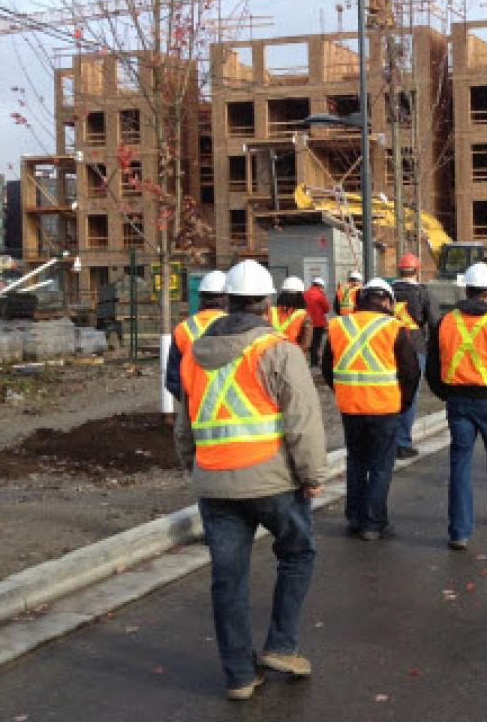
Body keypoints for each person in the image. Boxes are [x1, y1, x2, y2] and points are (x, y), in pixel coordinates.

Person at [175, 259, 327, 701]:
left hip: (216, 483)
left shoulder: (195, 353)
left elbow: (185, 424)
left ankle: (239, 675)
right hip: (272, 480)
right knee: (298, 553)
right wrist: (312, 476)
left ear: (226, 302)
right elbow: (302, 420)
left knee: (228, 578)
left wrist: (195, 467)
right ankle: (281, 645)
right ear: (266, 304)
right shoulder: (277, 350)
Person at [426, 262, 487, 551]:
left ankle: (459, 531)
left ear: (465, 289)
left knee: (460, 465)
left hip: (458, 401)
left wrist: (446, 393)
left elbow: (433, 366)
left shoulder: (446, 322)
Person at [322, 277, 421, 540]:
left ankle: (354, 518)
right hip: (384, 407)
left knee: (355, 462)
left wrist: (345, 390)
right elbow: (411, 371)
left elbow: (326, 368)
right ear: (387, 301)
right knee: (379, 466)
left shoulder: (338, 326)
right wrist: (405, 402)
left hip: (350, 406)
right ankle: (374, 523)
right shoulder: (394, 327)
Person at [391, 253, 435, 460]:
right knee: (410, 394)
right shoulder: (421, 292)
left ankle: (390, 441)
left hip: (389, 346)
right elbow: (432, 321)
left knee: (391, 394)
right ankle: (403, 442)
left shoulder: (389, 292)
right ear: (417, 271)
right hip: (415, 346)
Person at [165, 270, 228, 401]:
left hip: (195, 410)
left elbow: (173, 379)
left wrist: (192, 401)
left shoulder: (183, 329)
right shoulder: (237, 327)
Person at [269, 276, 313, 353]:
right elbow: (306, 343)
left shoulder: (270, 311)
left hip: (271, 354)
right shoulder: (303, 315)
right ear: (300, 297)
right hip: (292, 355)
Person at [303, 277, 331, 368]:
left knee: (308, 341)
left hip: (306, 322)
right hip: (318, 323)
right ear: (321, 286)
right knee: (316, 343)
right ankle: (314, 362)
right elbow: (326, 309)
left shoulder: (305, 294)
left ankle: (307, 360)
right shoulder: (320, 295)